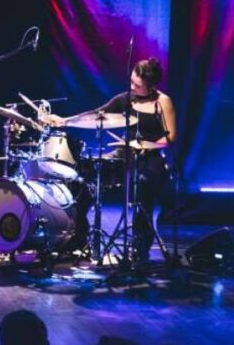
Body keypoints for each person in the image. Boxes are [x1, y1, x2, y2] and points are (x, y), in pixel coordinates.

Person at [48, 58, 176, 261]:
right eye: (131, 82)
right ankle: (79, 236)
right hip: (124, 153)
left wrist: (145, 145)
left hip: (151, 157)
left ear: (151, 86)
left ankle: (139, 246)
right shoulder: (126, 98)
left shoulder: (163, 102)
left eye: (137, 85)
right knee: (88, 174)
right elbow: (96, 114)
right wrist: (65, 121)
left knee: (143, 187)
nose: (132, 87)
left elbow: (169, 137)